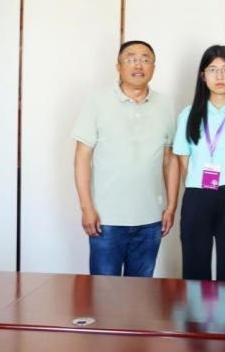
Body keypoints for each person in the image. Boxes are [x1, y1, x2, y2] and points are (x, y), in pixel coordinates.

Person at [72, 40, 179, 277]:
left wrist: (171, 206)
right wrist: (87, 207)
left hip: (151, 220)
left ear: (153, 67)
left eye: (145, 59)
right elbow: (81, 157)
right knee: (103, 292)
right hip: (106, 219)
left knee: (141, 293)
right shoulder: (96, 101)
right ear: (118, 66)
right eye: (131, 59)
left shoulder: (166, 105)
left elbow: (170, 159)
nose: (138, 65)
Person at [174, 45, 225, 281]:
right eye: (212, 69)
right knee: (195, 262)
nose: (219, 76)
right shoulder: (189, 113)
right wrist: (198, 186)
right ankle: (195, 307)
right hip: (197, 194)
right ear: (203, 76)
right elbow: (182, 158)